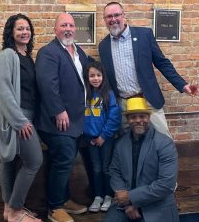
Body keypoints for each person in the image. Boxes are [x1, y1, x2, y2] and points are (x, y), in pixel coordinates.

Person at [99, 1, 196, 137]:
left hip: (148, 100)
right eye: (109, 16)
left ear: (124, 15)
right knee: (128, 143)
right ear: (104, 20)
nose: (113, 19)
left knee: (163, 140)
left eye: (117, 15)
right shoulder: (103, 46)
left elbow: (162, 63)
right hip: (124, 105)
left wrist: (182, 84)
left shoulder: (144, 35)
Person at [35, 13, 88, 222]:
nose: (68, 28)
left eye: (71, 25)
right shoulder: (48, 52)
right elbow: (47, 84)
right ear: (55, 29)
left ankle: (64, 200)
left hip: (76, 120)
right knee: (64, 160)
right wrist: (58, 110)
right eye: (63, 25)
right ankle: (54, 208)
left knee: (64, 161)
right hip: (57, 120)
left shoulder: (78, 51)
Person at [0, 14, 43, 222]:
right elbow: (4, 91)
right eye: (19, 29)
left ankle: (9, 210)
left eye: (27, 29)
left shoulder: (27, 55)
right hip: (18, 118)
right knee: (34, 161)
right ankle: (15, 210)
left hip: (28, 115)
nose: (24, 32)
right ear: (11, 33)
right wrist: (20, 121)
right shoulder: (8, 55)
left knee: (10, 162)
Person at [104, 97, 179, 222]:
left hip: (156, 205)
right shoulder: (120, 144)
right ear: (128, 120)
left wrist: (131, 197)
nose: (138, 121)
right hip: (124, 205)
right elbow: (114, 172)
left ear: (148, 118)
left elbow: (166, 184)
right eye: (133, 117)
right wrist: (126, 202)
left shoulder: (165, 143)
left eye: (142, 116)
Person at [82, 61, 121, 213]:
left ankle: (108, 196)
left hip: (105, 139)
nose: (96, 79)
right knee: (96, 168)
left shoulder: (109, 94)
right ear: (87, 77)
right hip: (90, 139)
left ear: (103, 77)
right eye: (92, 76)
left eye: (99, 75)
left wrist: (103, 136)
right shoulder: (84, 94)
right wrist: (88, 135)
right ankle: (98, 196)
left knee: (105, 168)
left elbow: (114, 117)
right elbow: (82, 118)